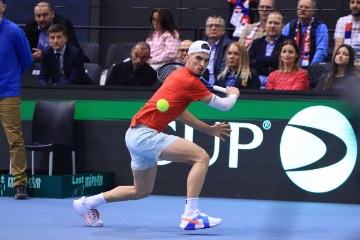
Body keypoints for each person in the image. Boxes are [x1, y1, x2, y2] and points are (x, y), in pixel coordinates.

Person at [73, 40, 240, 230]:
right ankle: (191, 215)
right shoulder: (190, 81)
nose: (202, 64)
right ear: (187, 57)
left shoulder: (179, 75)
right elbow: (224, 106)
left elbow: (179, 112)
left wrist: (208, 130)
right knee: (201, 157)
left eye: (206, 60)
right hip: (146, 135)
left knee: (140, 191)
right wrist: (233, 94)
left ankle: (86, 203)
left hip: (134, 135)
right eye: (198, 58)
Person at [0, 0, 33, 199]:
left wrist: (11, 79)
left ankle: (20, 183)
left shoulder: (13, 31)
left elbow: (27, 59)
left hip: (8, 95)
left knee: (15, 139)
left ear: (3, 6)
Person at [24, 1, 89, 62]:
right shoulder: (31, 26)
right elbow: (26, 49)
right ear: (35, 17)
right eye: (38, 16)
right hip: (37, 63)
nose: (41, 19)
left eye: (45, 15)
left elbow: (70, 50)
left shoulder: (64, 25)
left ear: (52, 14)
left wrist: (45, 55)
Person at [282, 0, 328, 68]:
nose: (303, 9)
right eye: (300, 7)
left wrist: (311, 69)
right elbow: (282, 47)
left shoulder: (320, 26)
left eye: (306, 7)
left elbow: (321, 51)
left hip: (312, 68)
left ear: (313, 11)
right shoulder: (289, 26)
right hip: (290, 68)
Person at [249, 10, 288, 89]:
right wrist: (269, 68)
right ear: (265, 24)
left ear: (283, 26)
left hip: (278, 83)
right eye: (270, 22)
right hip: (256, 82)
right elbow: (249, 63)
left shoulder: (287, 43)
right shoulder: (256, 43)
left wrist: (259, 59)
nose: (272, 26)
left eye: (276, 23)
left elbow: (280, 62)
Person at [204, 16, 233, 85]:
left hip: (219, 84)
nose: (213, 28)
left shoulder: (228, 45)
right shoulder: (201, 44)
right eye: (210, 26)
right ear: (206, 29)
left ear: (223, 30)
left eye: (217, 26)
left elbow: (224, 69)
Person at [334, 0, 360, 68]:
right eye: (352, 2)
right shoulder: (342, 21)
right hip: (345, 67)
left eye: (358, 2)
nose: (354, 5)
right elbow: (337, 49)